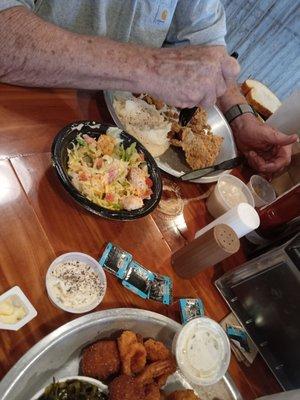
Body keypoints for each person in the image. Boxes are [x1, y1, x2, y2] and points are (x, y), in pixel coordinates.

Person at [0, 1, 297, 175]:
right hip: (24, 116)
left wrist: (240, 118)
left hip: (118, 149)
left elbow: (207, 51)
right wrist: (153, 68)